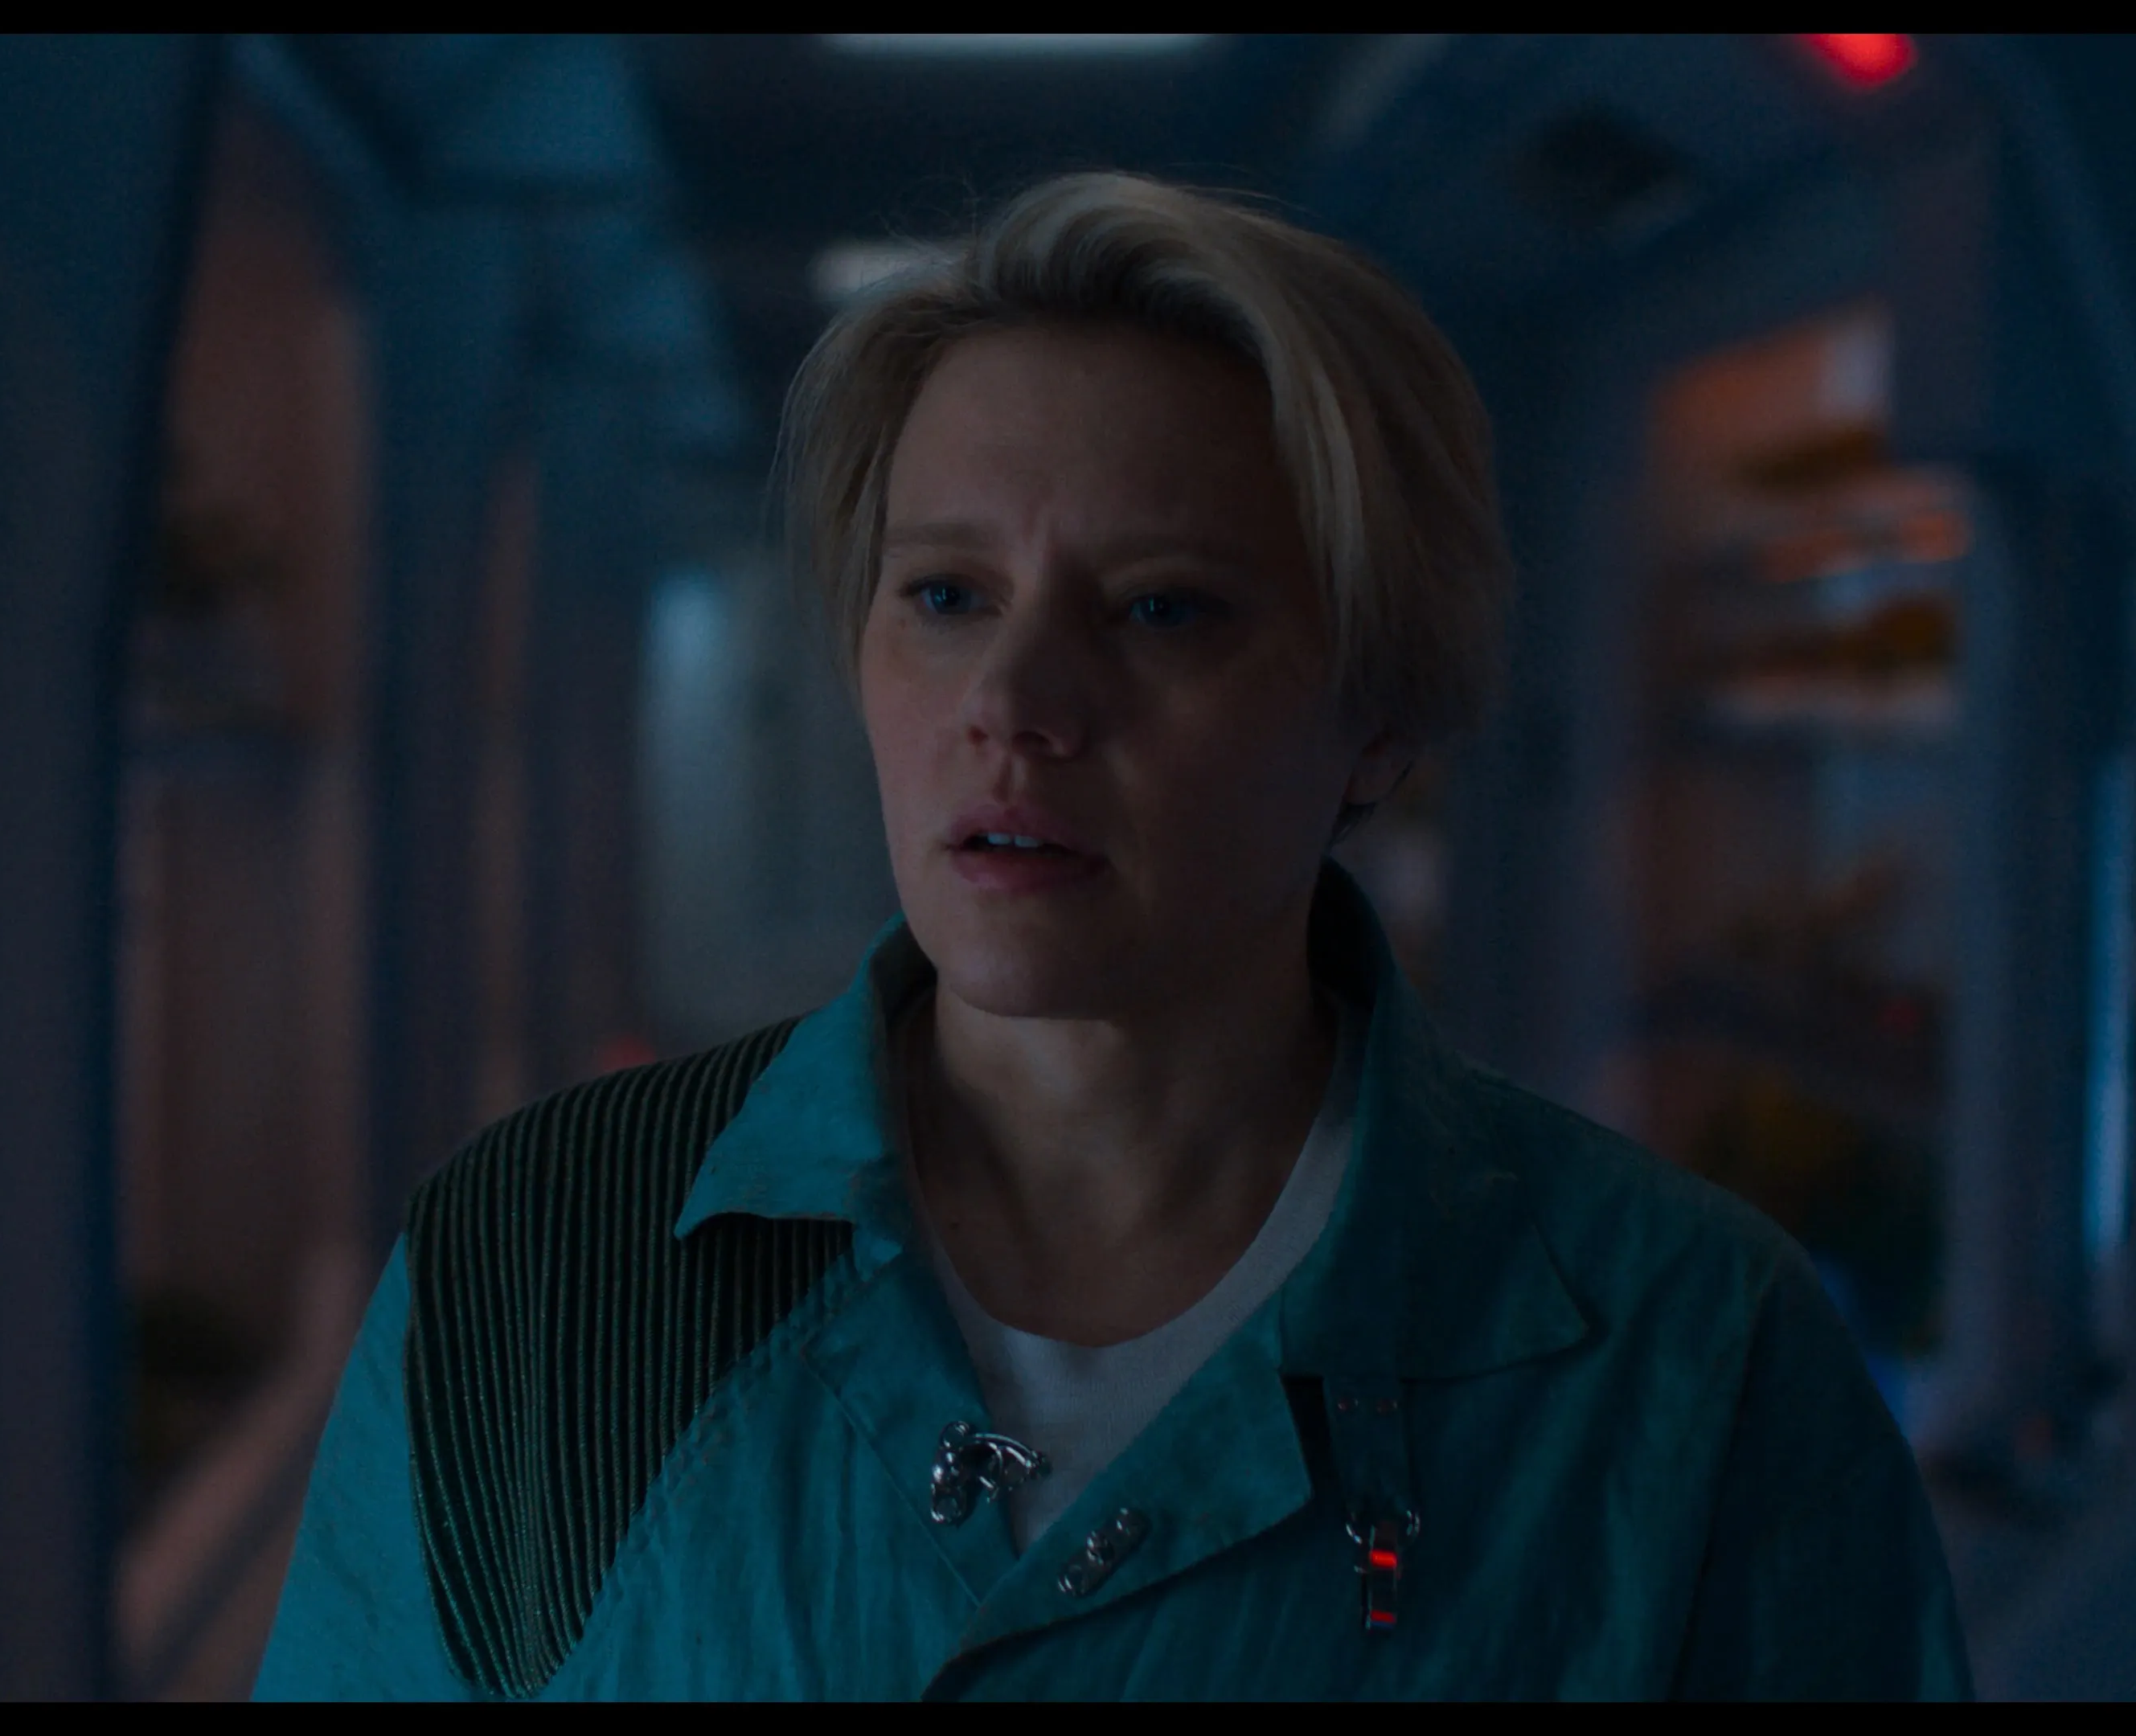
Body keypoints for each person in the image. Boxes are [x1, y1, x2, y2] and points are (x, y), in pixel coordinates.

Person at [254, 171, 1969, 1700]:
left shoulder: (1689, 1363)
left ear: (1380, 716)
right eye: (947, 597)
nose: (1015, 702)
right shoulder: (544, 1266)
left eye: (1161, 609)